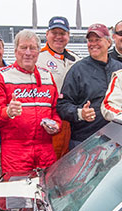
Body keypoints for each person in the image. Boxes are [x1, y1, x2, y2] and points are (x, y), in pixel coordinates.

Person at [0, 29, 62, 179]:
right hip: (15, 152)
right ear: (15, 51)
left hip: (45, 150)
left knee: (47, 196)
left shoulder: (47, 76)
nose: (28, 52)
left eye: (32, 48)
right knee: (17, 199)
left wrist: (56, 126)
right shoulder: (2, 76)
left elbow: (54, 112)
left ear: (38, 52)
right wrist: (7, 112)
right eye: (23, 48)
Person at [57, 23, 122, 148]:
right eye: (90, 40)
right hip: (84, 142)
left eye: (98, 40)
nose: (93, 44)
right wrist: (80, 113)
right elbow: (62, 105)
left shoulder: (119, 68)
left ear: (109, 42)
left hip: (115, 140)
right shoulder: (77, 70)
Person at [37, 15, 79, 158]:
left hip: (71, 120)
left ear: (68, 35)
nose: (58, 37)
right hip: (48, 120)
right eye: (54, 33)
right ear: (47, 34)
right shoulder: (38, 58)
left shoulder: (75, 59)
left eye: (62, 33)